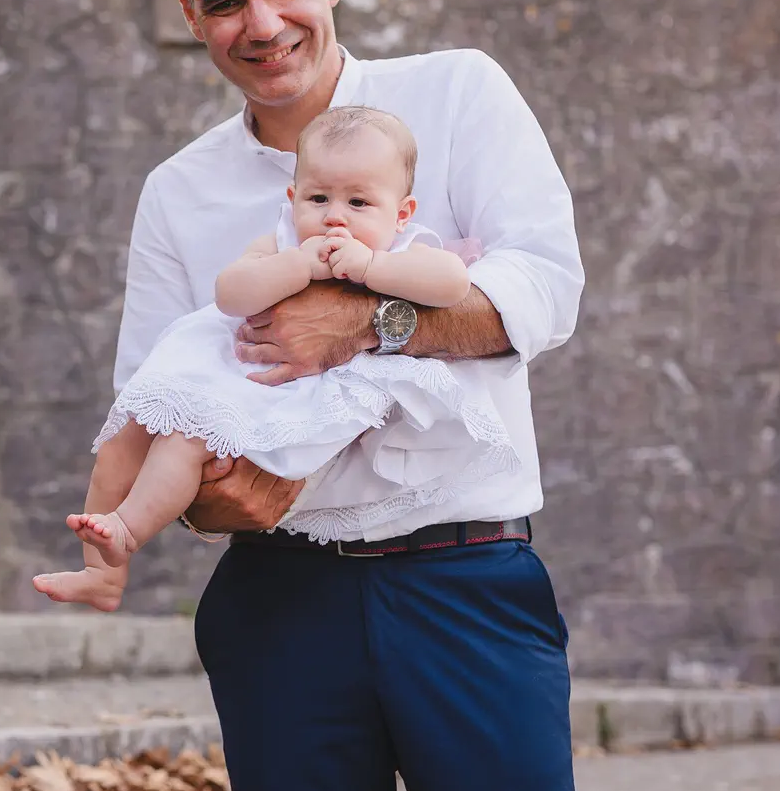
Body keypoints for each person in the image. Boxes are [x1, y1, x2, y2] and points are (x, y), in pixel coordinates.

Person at [34, 0, 589, 791]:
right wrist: (219, 497)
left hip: (465, 581)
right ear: (190, 15)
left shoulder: (458, 95)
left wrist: (366, 323)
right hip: (279, 602)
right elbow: (153, 402)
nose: (262, 23)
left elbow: (545, 290)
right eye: (224, 2)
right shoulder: (180, 193)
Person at [38, 104, 516, 610]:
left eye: (359, 202)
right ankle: (101, 574)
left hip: (276, 395)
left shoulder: (405, 250)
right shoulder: (281, 244)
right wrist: (296, 266)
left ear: (401, 213)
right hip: (229, 368)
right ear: (292, 199)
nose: (335, 215)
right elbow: (230, 294)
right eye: (318, 197)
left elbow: (452, 284)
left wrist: (371, 267)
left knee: (183, 441)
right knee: (123, 438)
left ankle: (127, 530)